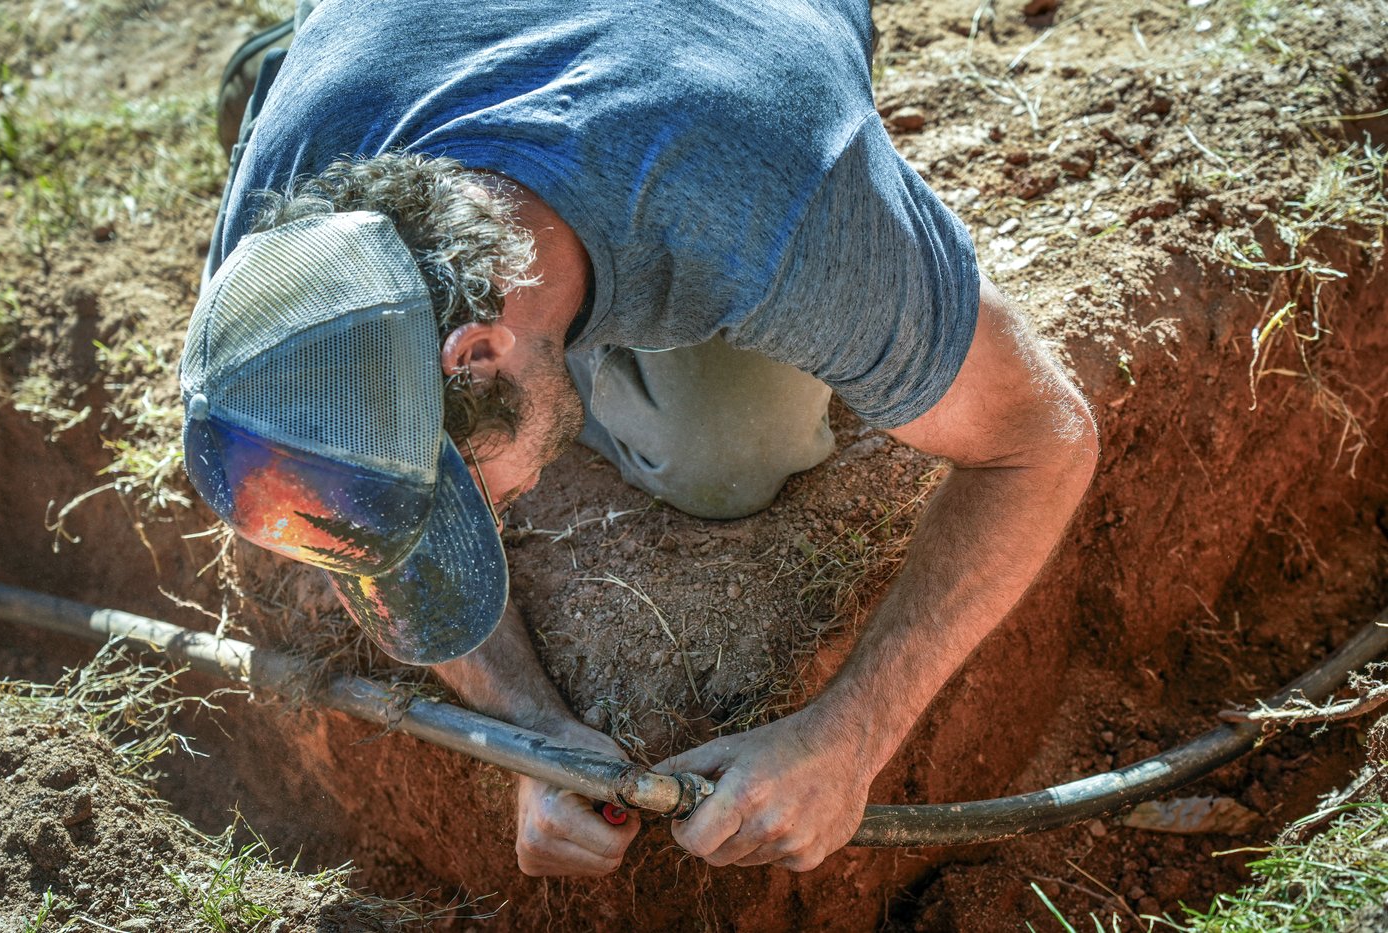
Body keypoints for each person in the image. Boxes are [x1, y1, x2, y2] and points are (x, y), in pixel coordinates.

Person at [181, 0, 1099, 878]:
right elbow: (342, 500)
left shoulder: (771, 203)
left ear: (477, 355)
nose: (499, 513)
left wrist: (849, 733)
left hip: (709, 73)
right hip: (396, 53)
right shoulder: (290, 241)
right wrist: (528, 728)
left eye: (472, 498)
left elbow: (1044, 439)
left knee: (729, 453)